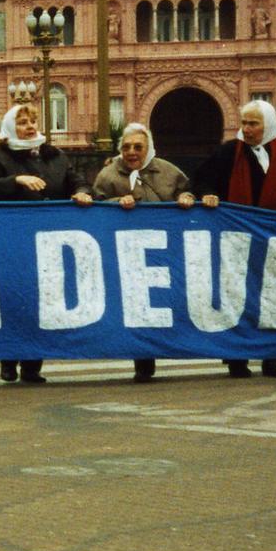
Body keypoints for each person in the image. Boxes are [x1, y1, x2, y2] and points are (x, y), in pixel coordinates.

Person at [182, 100, 276, 379]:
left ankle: (273, 358)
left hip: (275, 244)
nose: (246, 129)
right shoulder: (227, 153)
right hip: (236, 244)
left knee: (274, 301)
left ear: (268, 126)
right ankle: (238, 358)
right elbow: (202, 181)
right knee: (238, 299)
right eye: (244, 123)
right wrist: (208, 194)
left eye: (253, 124)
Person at [0, 103, 93, 384]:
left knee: (42, 300)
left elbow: (76, 180)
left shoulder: (55, 156)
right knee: (14, 300)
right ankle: (8, 359)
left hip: (47, 241)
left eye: (32, 121)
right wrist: (16, 180)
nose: (30, 126)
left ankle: (32, 364)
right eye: (22, 122)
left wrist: (81, 192)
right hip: (13, 241)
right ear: (10, 128)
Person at [92, 122, 191, 381]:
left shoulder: (169, 171)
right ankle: (143, 362)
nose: (131, 152)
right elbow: (94, 206)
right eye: (126, 147)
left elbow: (189, 190)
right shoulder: (108, 175)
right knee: (136, 307)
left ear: (148, 148)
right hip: (126, 255)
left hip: (165, 252)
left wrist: (187, 198)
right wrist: (116, 203)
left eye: (138, 147)